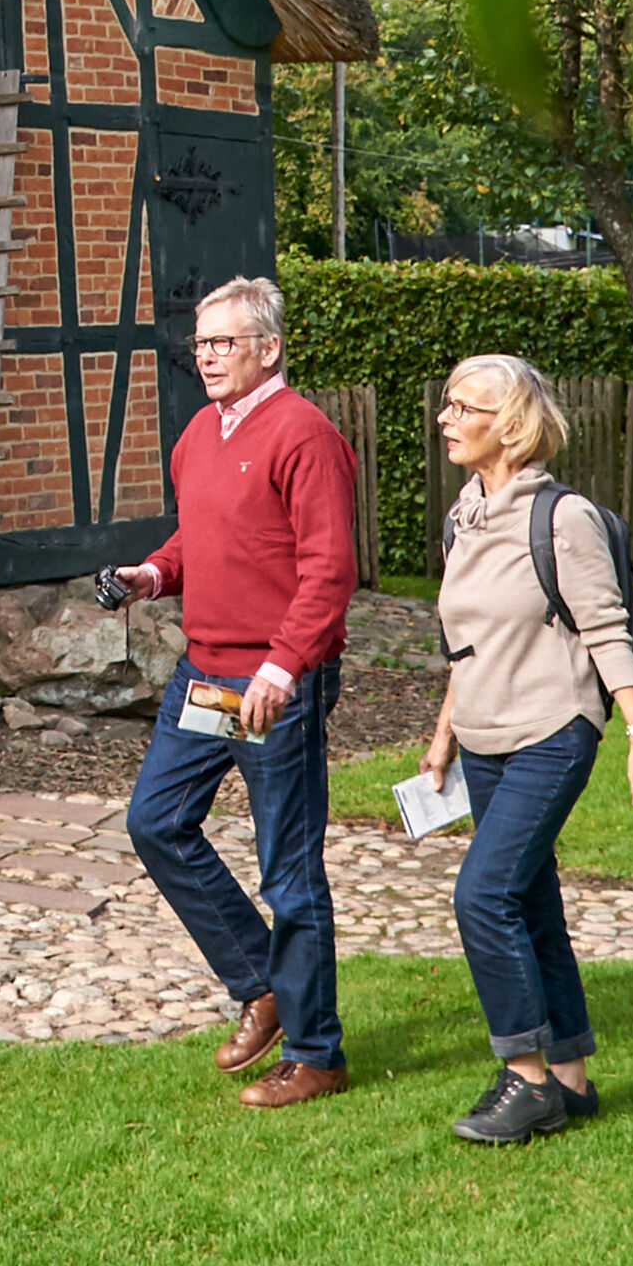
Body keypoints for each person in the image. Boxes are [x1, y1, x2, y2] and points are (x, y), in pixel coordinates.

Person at [103, 274, 362, 1109]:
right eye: (200, 343)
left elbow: (328, 569)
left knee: (288, 870)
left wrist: (283, 670)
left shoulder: (305, 435)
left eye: (223, 342)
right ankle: (261, 982)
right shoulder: (199, 433)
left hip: (273, 682)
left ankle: (317, 1053)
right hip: (201, 671)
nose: (206, 356)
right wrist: (152, 573)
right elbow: (201, 534)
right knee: (155, 822)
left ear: (268, 348)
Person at [417, 352, 633, 1144]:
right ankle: (569, 1078)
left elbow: (604, 628)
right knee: (528, 899)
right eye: (447, 404)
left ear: (512, 424)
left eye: (464, 408)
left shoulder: (563, 518)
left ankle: (522, 1079)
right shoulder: (464, 515)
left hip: (553, 730)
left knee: (480, 895)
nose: (445, 418)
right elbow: (467, 640)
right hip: (485, 733)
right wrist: (443, 733)